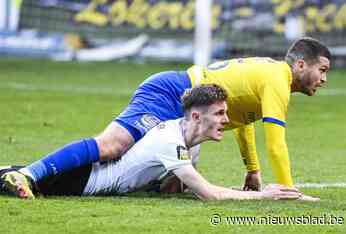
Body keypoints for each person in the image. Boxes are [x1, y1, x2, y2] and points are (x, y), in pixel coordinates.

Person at [1, 37, 331, 198]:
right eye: (322, 69)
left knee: (172, 188)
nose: (324, 78)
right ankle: (28, 174)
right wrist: (289, 190)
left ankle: (9, 172)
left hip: (191, 113)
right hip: (174, 93)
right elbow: (277, 142)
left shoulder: (269, 78)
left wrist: (252, 170)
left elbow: (242, 120)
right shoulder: (278, 79)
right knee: (113, 146)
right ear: (301, 65)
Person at [0, 85, 303, 201]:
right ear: (196, 116)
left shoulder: (190, 143)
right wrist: (265, 197)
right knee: (15, 182)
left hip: (91, 178)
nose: (227, 120)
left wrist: (237, 192)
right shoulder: (170, 140)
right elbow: (209, 195)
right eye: (220, 113)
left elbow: (177, 187)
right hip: (81, 181)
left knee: (10, 174)